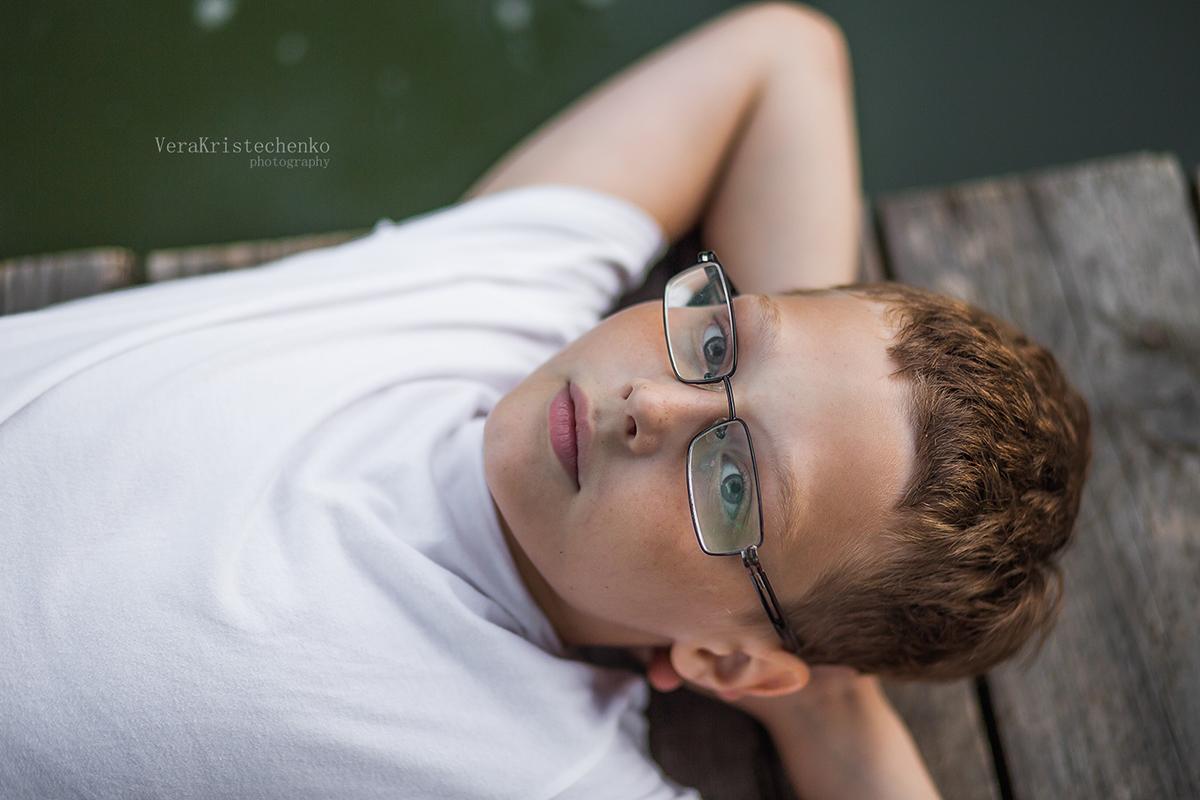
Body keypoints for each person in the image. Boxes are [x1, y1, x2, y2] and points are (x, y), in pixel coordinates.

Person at [0, 3, 1090, 799]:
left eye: (731, 482)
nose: (650, 403)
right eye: (719, 340)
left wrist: (825, 706)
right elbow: (785, 56)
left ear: (724, 663)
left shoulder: (532, 767)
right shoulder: (496, 291)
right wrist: (801, 367)